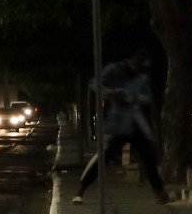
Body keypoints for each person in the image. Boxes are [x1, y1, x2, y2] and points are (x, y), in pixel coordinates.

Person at [72, 48, 169, 205]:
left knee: (149, 158)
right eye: (136, 65)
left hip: (136, 123)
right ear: (131, 61)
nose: (138, 68)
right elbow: (94, 83)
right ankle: (81, 190)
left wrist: (133, 96)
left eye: (141, 66)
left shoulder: (142, 75)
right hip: (119, 124)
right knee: (105, 157)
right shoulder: (114, 70)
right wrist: (111, 93)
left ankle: (160, 193)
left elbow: (147, 97)